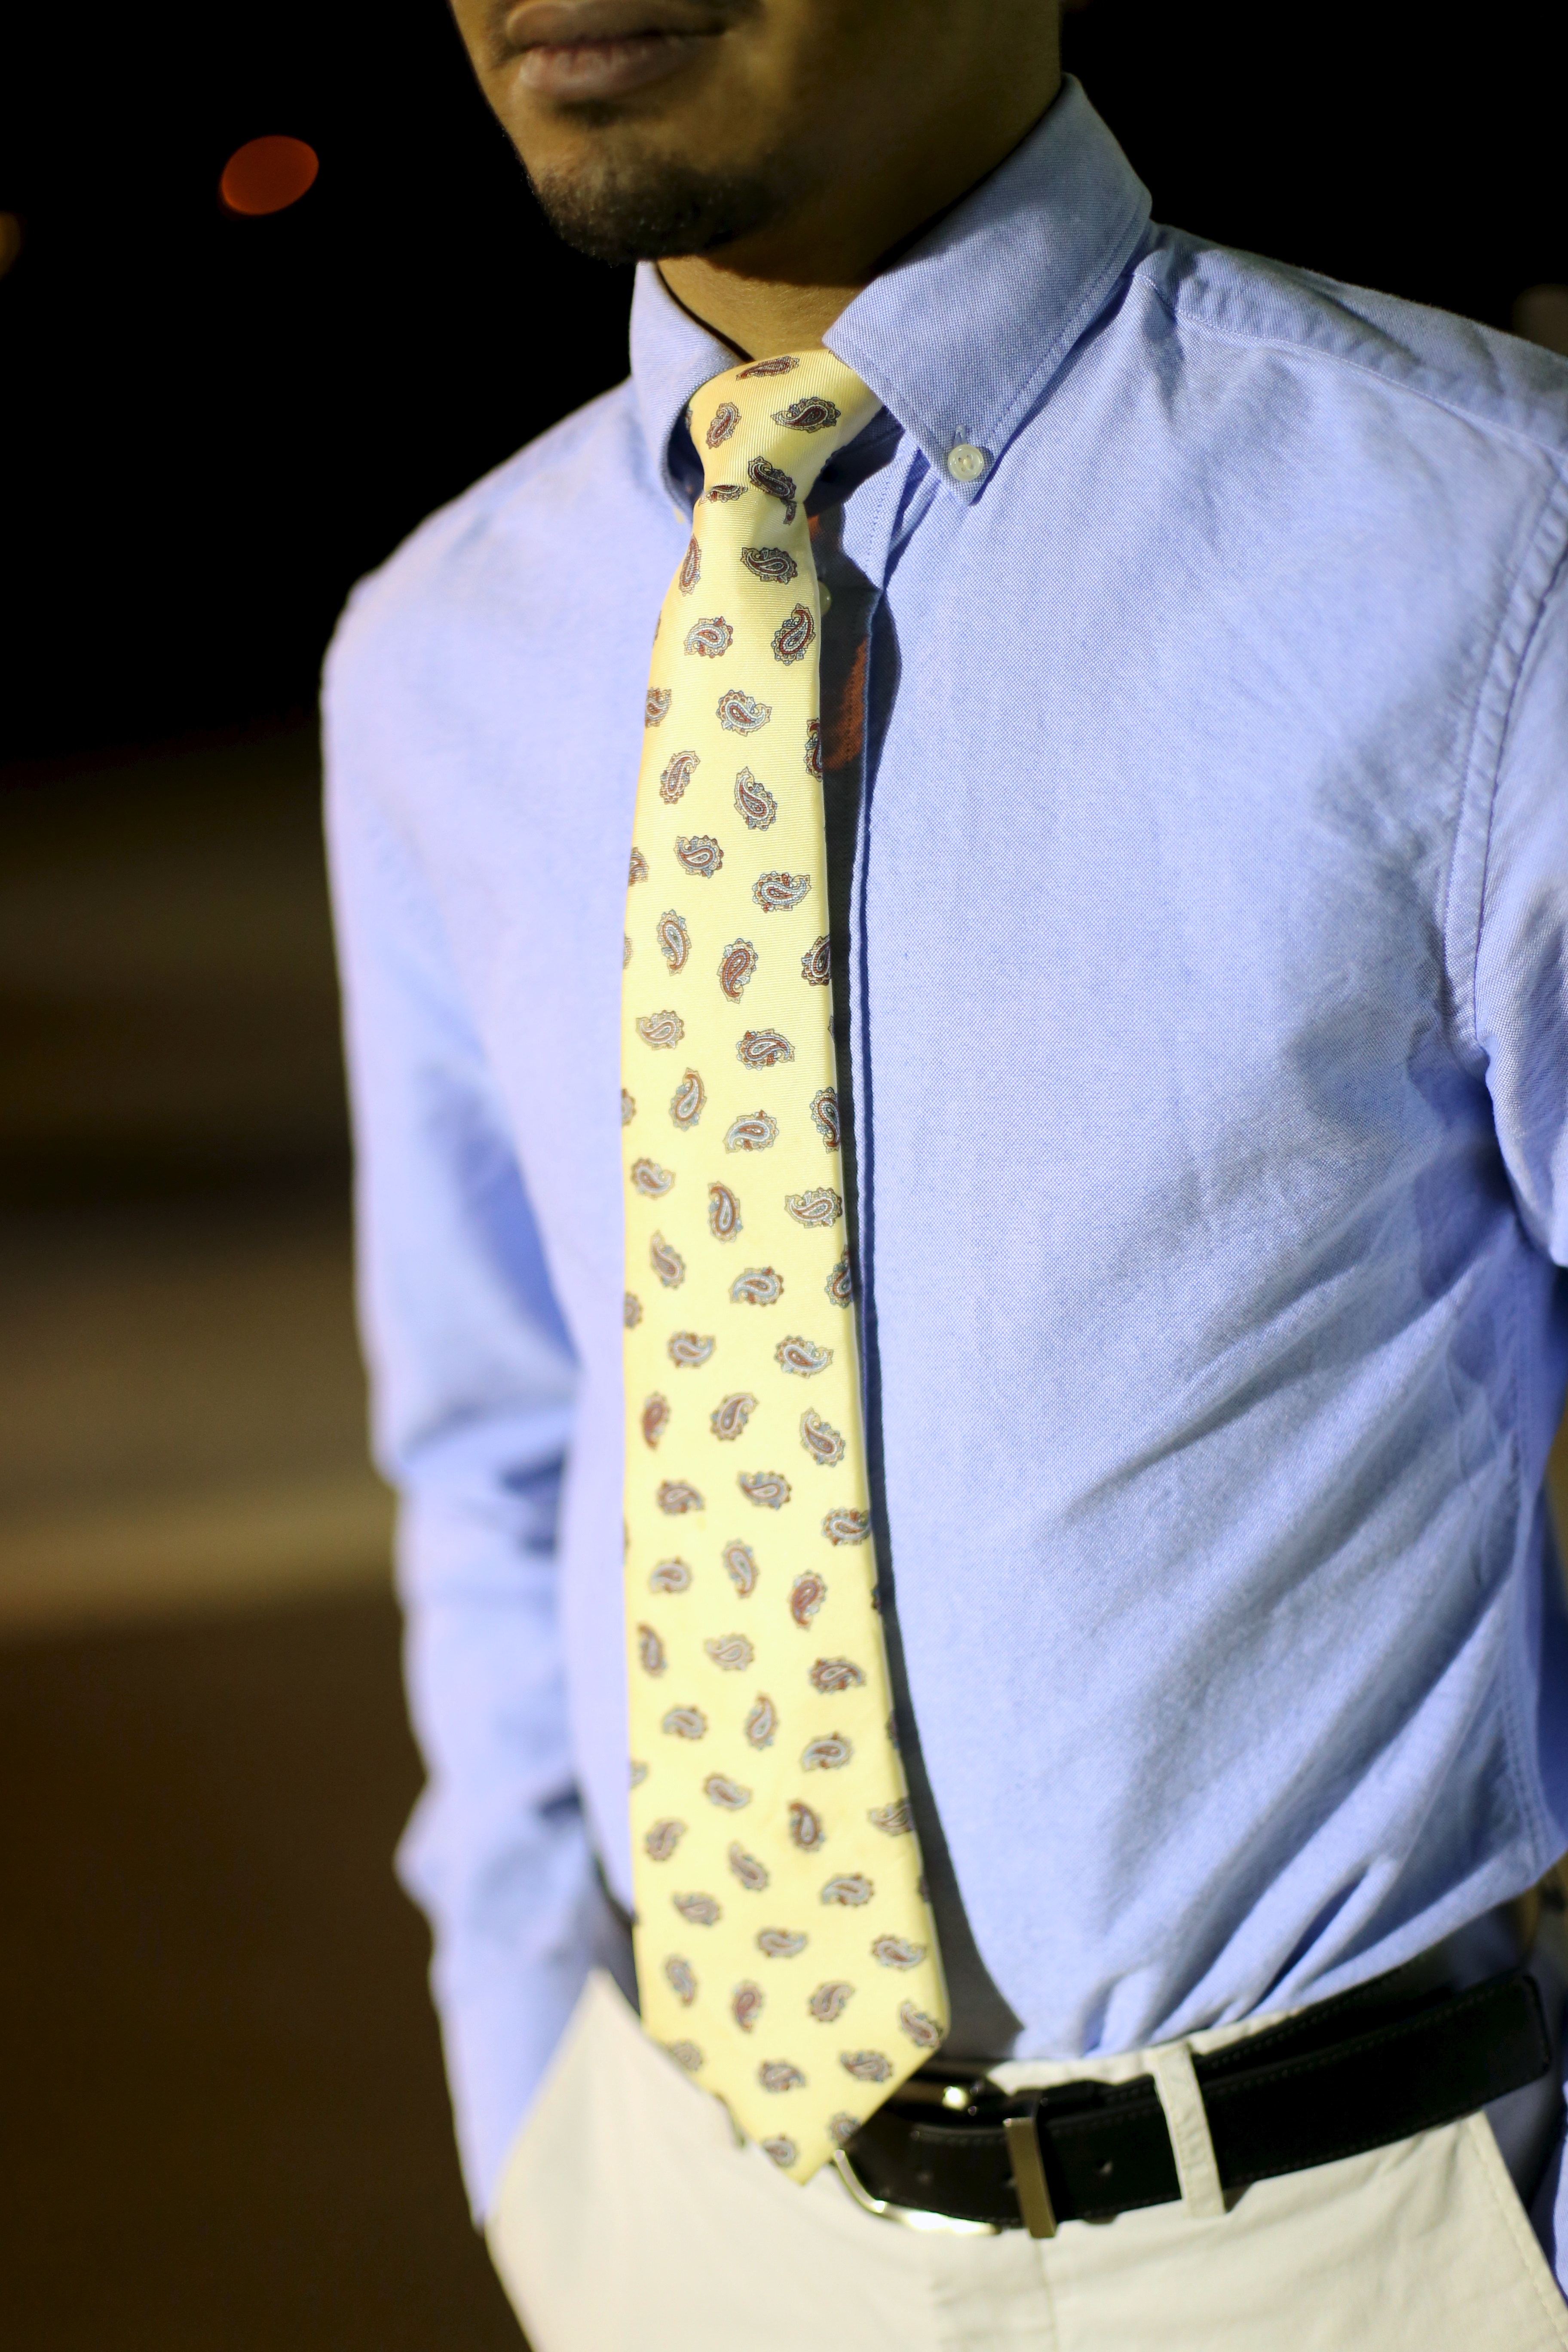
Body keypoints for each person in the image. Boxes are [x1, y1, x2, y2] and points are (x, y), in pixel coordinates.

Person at [321, 0, 1568, 2343]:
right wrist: (539, 2124)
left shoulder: (1489, 549)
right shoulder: (438, 652)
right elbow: (501, 1449)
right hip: (685, 2218)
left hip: (1341, 2245)